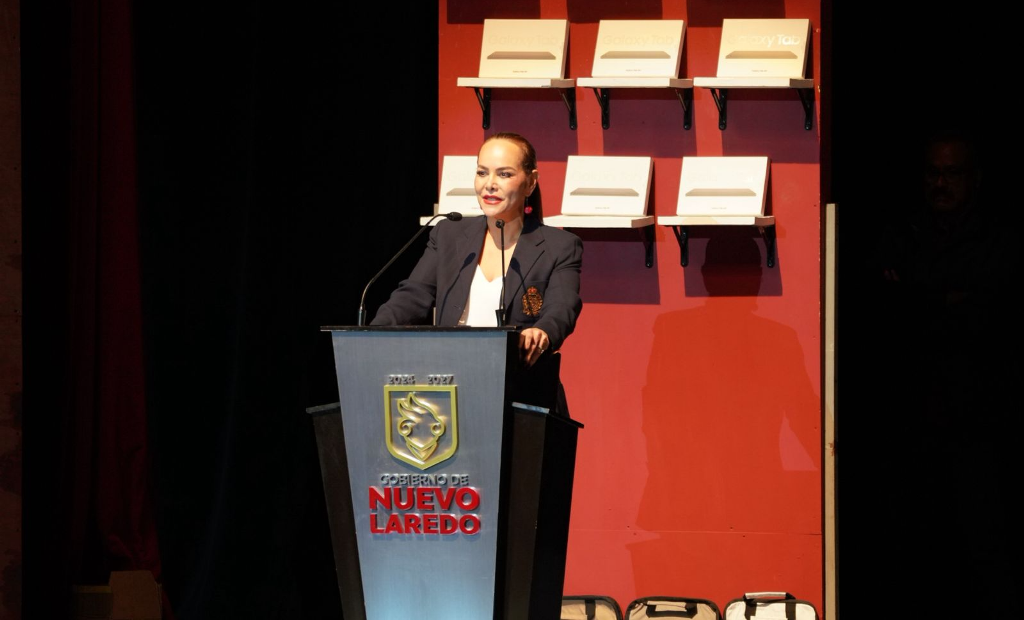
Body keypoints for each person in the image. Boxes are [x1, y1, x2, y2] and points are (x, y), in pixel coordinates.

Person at [371, 132, 584, 369]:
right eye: (482, 172)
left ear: (531, 182)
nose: (489, 184)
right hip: (449, 374)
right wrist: (370, 335)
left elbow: (562, 307)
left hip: (517, 378)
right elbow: (412, 296)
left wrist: (542, 331)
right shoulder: (448, 234)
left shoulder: (560, 246)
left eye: (504, 174)